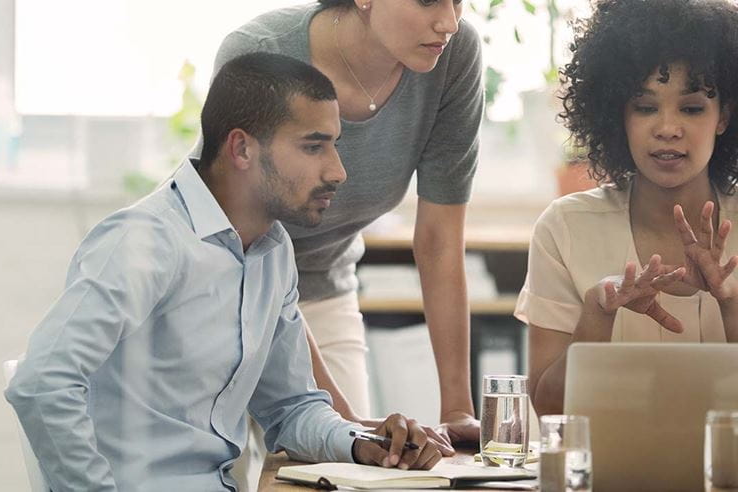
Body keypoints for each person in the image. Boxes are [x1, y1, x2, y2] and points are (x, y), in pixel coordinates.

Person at [4, 52, 442, 492]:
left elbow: (291, 407)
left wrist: (363, 443)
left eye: (334, 145)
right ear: (242, 148)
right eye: (313, 146)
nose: (338, 171)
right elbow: (43, 383)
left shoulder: (273, 250)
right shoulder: (143, 241)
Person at [194, 0, 483, 446]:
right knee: (235, 466)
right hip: (226, 288)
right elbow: (248, 245)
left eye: (459, 0)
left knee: (347, 471)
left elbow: (440, 240)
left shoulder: (452, 55)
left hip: (324, 288)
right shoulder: (259, 53)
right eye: (428, 0)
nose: (449, 20)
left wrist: (458, 411)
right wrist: (343, 425)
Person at [515, 0, 738, 416]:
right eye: (645, 107)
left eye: (691, 108)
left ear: (723, 116)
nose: (667, 129)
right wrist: (596, 317)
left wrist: (730, 303)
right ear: (618, 114)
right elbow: (548, 411)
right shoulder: (565, 228)